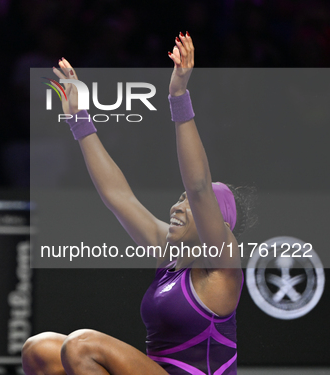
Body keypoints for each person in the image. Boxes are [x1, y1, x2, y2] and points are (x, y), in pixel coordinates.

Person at [22, 33, 256, 375]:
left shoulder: (223, 263)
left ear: (216, 221)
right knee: (39, 349)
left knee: (81, 345)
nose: (178, 206)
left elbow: (199, 186)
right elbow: (118, 197)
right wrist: (79, 118)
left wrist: (178, 97)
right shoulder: (169, 254)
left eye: (188, 203)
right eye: (179, 200)